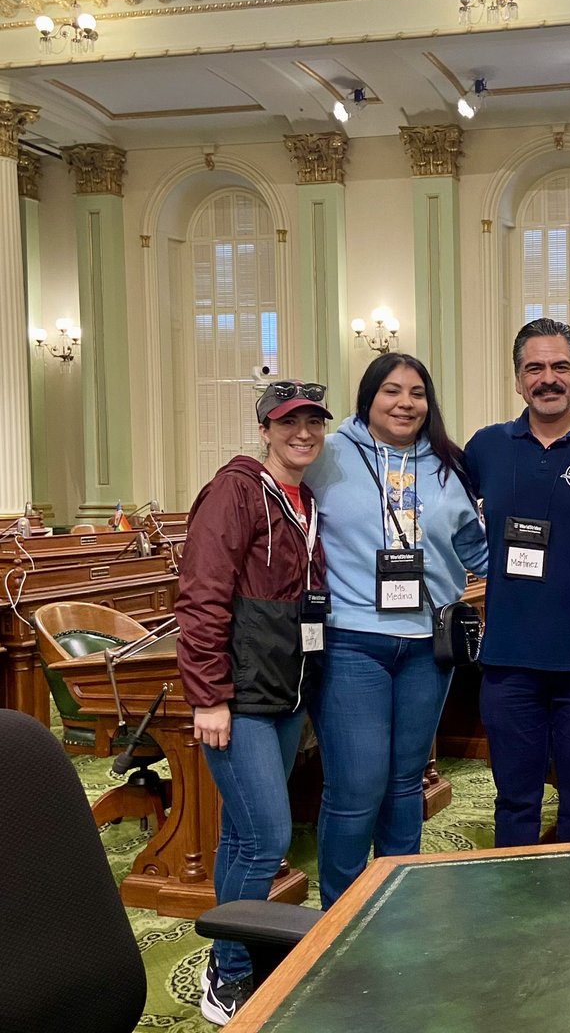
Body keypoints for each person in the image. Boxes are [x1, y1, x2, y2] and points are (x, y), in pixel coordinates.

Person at [304, 352, 488, 908]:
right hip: (351, 639)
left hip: (426, 646)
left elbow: (473, 547)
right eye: (391, 390)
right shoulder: (329, 455)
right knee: (357, 787)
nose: (404, 402)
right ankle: (341, 911)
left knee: (407, 784)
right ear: (368, 398)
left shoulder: (447, 466)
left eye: (416, 393)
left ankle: (395, 903)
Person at [176, 380, 332, 1025]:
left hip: (285, 688)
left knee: (244, 835)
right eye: (288, 422)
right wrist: (208, 695)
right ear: (265, 428)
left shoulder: (306, 498)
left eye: (314, 423)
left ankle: (240, 950)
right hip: (238, 698)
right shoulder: (234, 491)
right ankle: (227, 972)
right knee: (267, 835)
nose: (303, 433)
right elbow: (203, 597)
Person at [464, 318, 570, 846]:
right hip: (508, 664)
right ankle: (515, 911)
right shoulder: (486, 447)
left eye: (560, 367)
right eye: (535, 368)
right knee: (514, 799)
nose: (547, 378)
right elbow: (442, 519)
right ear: (517, 379)